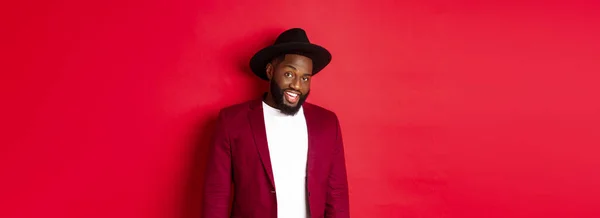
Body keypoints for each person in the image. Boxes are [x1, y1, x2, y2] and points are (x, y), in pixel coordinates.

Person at [202, 28, 349, 218]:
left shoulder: (327, 124)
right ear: (271, 71)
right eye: (289, 74)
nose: (297, 85)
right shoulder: (232, 122)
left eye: (305, 78)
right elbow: (217, 195)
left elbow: (336, 195)